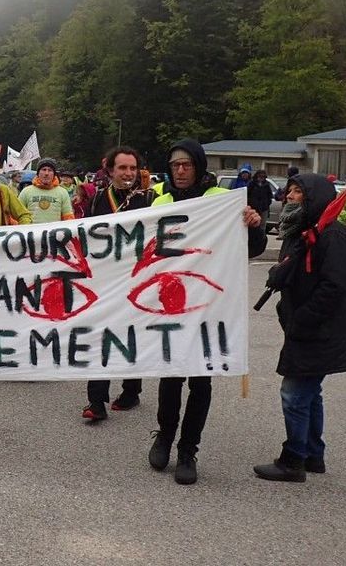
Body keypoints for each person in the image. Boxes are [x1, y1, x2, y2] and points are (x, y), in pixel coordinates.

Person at [146, 139, 267, 485]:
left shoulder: (220, 201)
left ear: (198, 166)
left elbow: (252, 249)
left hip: (209, 309)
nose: (180, 171)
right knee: (170, 378)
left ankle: (188, 450)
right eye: (174, 166)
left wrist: (253, 224)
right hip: (170, 304)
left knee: (200, 381)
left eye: (186, 165)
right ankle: (165, 437)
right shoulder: (161, 201)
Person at [253, 173, 346, 482]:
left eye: (298, 192)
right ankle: (313, 454)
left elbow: (335, 285)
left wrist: (302, 318)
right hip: (304, 326)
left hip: (320, 329)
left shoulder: (332, 235)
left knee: (294, 394)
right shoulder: (298, 231)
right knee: (310, 393)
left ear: (313, 198)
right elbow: (297, 270)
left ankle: (293, 460)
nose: (289, 196)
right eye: (289, 190)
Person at [81, 146, 153, 421]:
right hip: (105, 280)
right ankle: (96, 401)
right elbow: (85, 235)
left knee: (131, 336)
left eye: (133, 168)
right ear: (110, 170)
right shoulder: (98, 199)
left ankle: (131, 391)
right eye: (122, 168)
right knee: (100, 335)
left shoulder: (148, 200)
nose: (128, 173)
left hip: (136, 279)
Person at [19, 158, 75, 224]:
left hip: (54, 233)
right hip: (31, 233)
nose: (46, 173)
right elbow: (17, 215)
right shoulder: (26, 191)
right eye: (44, 169)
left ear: (54, 174)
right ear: (38, 173)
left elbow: (68, 217)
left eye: (50, 170)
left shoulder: (63, 192)